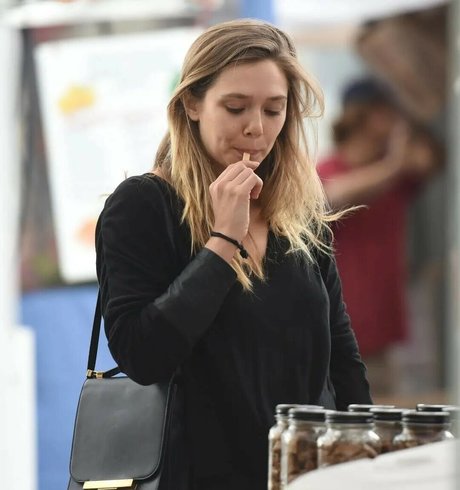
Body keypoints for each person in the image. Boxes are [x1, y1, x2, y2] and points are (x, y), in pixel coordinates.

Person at [95, 19, 371, 490]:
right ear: (191, 104)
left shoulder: (297, 213)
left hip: (307, 476)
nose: (256, 128)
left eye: (274, 109)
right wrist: (222, 241)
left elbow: (342, 360)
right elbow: (142, 356)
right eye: (236, 107)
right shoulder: (142, 205)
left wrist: (366, 457)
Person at [317, 78, 441, 393]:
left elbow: (429, 160)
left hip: (382, 333)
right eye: (388, 112)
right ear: (366, 115)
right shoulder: (328, 169)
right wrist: (393, 165)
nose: (397, 121)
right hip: (338, 329)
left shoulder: (397, 173)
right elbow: (332, 197)